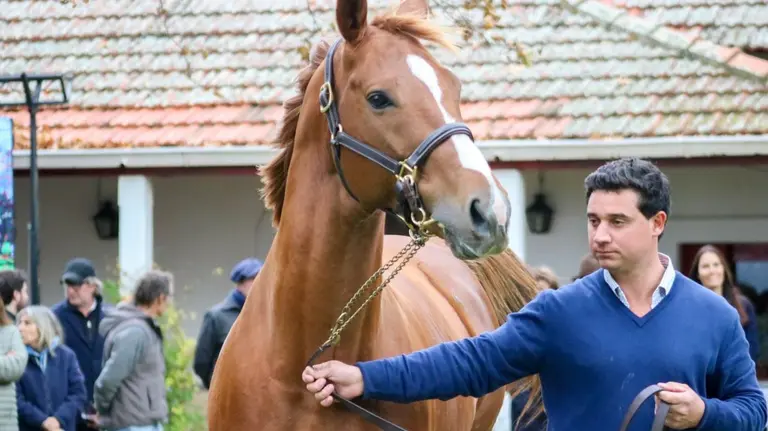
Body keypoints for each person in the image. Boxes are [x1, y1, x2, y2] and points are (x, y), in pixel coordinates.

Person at [301, 157, 768, 430]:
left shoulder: (715, 316)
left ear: (657, 224)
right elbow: (470, 363)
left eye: (617, 222)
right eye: (593, 221)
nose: (600, 235)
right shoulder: (558, 312)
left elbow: (753, 410)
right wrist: (364, 378)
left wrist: (704, 413)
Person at [93, 270, 173, 431]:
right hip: (132, 424)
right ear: (160, 298)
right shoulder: (135, 332)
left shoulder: (142, 328)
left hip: (142, 423)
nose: (170, 302)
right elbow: (108, 380)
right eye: (169, 297)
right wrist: (102, 410)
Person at [52, 258, 111, 431]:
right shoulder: (55, 318)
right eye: (67, 286)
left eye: (75, 286)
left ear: (92, 286)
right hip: (69, 411)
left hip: (106, 411)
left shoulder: (110, 316)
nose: (70, 291)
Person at [194, 257, 262, 389]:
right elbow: (201, 363)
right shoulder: (216, 316)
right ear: (240, 283)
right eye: (254, 279)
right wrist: (218, 388)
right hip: (228, 395)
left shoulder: (265, 315)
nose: (260, 283)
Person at [16, 306, 87, 431]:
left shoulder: (66, 356)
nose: (20, 328)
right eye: (20, 323)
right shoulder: (17, 359)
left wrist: (58, 420)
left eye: (27, 323)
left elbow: (78, 393)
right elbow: (17, 399)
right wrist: (42, 421)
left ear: (43, 326)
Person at [689, 244, 760, 363]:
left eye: (716, 265)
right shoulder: (689, 308)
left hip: (736, 377)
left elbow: (753, 349)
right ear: (698, 273)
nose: (712, 271)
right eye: (705, 266)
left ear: (723, 268)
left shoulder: (744, 305)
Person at [0, 294, 28, 431]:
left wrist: (9, 363)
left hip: (5, 423)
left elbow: (16, 367)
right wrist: (4, 359)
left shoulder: (10, 332)